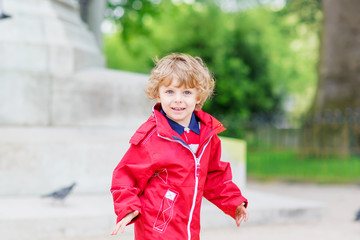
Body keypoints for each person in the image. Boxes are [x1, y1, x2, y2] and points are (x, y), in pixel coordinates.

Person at [110, 53, 248, 240]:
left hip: (189, 229)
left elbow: (214, 175)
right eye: (170, 92)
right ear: (158, 93)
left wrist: (234, 203)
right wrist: (127, 208)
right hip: (156, 229)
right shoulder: (152, 137)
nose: (178, 99)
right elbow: (126, 176)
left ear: (198, 97)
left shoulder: (207, 135)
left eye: (187, 92)